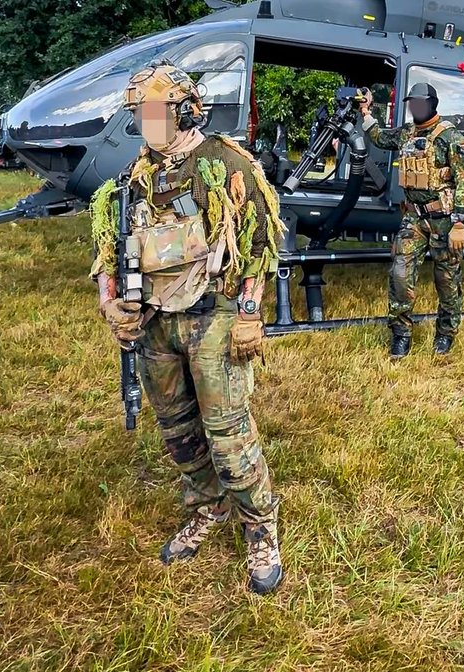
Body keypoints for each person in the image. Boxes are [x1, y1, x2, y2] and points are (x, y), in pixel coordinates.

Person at [89, 62, 285, 595]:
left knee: (227, 434)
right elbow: (111, 246)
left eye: (155, 112)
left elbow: (259, 242)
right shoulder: (135, 177)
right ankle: (206, 507)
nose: (147, 123)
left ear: (185, 110)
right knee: (178, 432)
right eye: (139, 115)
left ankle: (259, 528)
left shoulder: (223, 161)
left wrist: (248, 315)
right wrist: (111, 303)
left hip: (213, 317)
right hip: (156, 328)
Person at [360, 82, 464, 358]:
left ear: (433, 104)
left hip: (445, 220)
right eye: (412, 103)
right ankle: (401, 334)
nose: (415, 108)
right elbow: (379, 137)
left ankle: (445, 334)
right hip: (414, 218)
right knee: (400, 274)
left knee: (447, 280)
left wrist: (460, 224)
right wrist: (366, 111)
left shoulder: (451, 137)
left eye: (421, 103)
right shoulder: (407, 134)